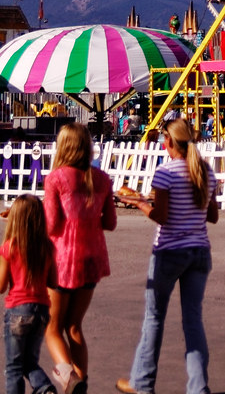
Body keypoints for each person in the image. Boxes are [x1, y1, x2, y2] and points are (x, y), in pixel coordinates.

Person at [116, 117, 218, 394]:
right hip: (199, 250)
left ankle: (143, 383)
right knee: (193, 320)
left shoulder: (165, 172)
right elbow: (213, 215)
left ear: (170, 142)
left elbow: (161, 217)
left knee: (154, 318)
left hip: (169, 251)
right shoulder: (205, 172)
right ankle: (199, 387)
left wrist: (138, 203)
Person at [43, 124, 116, 394]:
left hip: (62, 260)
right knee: (74, 326)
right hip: (92, 258)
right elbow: (109, 222)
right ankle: (80, 384)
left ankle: (70, 379)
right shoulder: (102, 178)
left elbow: (51, 226)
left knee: (52, 327)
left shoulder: (56, 179)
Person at [0, 195, 58, 394]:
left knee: (14, 367)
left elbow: (1, 286)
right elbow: (53, 282)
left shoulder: (10, 247)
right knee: (30, 362)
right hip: (41, 310)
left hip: (17, 310)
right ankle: (45, 388)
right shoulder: (48, 247)